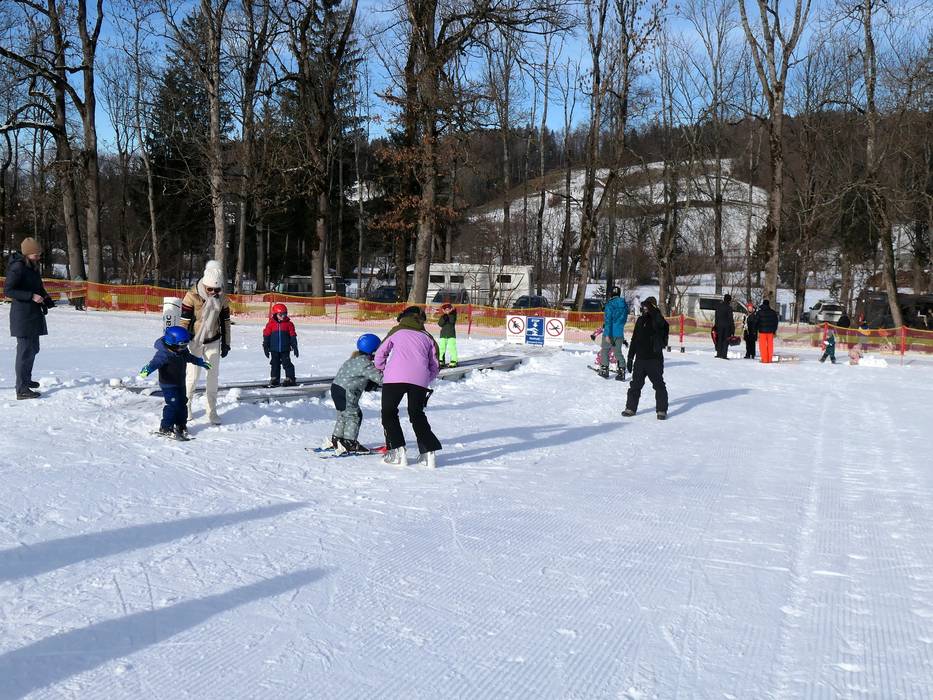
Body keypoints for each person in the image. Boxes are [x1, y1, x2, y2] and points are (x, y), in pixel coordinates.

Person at [375, 305, 442, 468]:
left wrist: (383, 369)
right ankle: (428, 453)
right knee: (417, 414)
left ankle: (397, 451)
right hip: (420, 380)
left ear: (403, 317)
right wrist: (425, 378)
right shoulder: (428, 337)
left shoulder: (397, 331)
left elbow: (380, 353)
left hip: (394, 377)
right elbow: (435, 364)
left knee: (389, 413)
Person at [179, 261, 231, 424]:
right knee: (192, 376)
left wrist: (226, 343)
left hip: (213, 341)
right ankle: (186, 407)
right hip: (195, 341)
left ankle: (211, 411)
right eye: (210, 289)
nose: (213, 293)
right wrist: (181, 343)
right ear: (204, 285)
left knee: (213, 377)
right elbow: (184, 322)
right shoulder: (191, 296)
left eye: (217, 289)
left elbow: (225, 322)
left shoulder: (222, 298)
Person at [139, 326, 211, 440]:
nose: (184, 348)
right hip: (168, 384)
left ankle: (181, 425)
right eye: (182, 346)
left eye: (186, 345)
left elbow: (189, 357)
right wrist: (147, 369)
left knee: (182, 403)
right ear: (171, 343)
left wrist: (200, 362)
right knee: (173, 405)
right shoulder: (163, 354)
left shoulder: (181, 351)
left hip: (180, 382)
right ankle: (165, 427)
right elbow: (154, 363)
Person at [4, 237, 54, 400]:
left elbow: (38, 286)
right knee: (25, 351)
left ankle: (26, 379)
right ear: (27, 253)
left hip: (33, 314)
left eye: (39, 254)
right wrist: (31, 296)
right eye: (35, 254)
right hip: (22, 315)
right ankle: (22, 389)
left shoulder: (32, 266)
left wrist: (46, 299)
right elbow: (8, 290)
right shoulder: (17, 267)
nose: (38, 257)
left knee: (34, 348)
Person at [326, 333, 385, 454]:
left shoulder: (353, 359)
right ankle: (349, 442)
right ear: (373, 350)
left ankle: (337, 439)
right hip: (346, 392)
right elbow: (381, 378)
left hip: (336, 388)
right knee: (354, 415)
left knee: (343, 414)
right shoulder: (365, 363)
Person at [622, 297, 670, 420]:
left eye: (648, 306)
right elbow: (634, 339)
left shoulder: (659, 320)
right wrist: (630, 357)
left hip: (654, 359)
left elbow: (661, 325)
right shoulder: (640, 320)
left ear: (653, 307)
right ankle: (630, 408)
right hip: (640, 359)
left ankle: (661, 410)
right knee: (635, 385)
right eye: (644, 307)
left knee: (659, 385)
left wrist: (653, 310)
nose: (645, 309)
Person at [597, 285, 630, 379]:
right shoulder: (624, 305)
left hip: (610, 332)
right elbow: (624, 319)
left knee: (605, 350)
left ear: (611, 294)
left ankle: (604, 370)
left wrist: (607, 334)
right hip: (619, 332)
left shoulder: (610, 304)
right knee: (617, 352)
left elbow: (608, 320)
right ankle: (621, 371)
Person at [262, 303, 298, 387]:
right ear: (275, 314)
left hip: (285, 348)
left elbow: (293, 336)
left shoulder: (289, 324)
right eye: (280, 314)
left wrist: (295, 346)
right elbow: (266, 335)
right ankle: (275, 378)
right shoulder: (271, 324)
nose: (283, 316)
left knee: (287, 363)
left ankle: (290, 378)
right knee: (274, 364)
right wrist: (266, 346)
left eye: (285, 314)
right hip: (274, 349)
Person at [757, 299, 779, 363]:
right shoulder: (773, 312)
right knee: (770, 345)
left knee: (763, 345)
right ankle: (769, 359)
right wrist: (774, 331)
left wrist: (757, 329)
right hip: (770, 332)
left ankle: (764, 359)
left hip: (762, 331)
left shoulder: (759, 312)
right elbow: (776, 322)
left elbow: (756, 321)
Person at [714, 293, 735, 359]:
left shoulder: (718, 306)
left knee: (719, 339)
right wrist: (733, 329)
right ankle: (724, 355)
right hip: (727, 327)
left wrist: (716, 325)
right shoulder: (729, 308)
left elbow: (716, 317)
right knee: (726, 340)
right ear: (729, 300)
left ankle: (718, 353)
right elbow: (731, 319)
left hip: (719, 326)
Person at [437, 302, 458, 368]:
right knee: (442, 348)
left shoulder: (453, 315)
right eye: (445, 309)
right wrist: (444, 317)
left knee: (452, 348)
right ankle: (441, 360)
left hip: (451, 335)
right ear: (444, 310)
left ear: (451, 309)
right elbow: (440, 324)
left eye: (448, 309)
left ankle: (454, 361)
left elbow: (452, 321)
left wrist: (450, 314)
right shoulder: (443, 316)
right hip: (443, 335)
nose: (447, 311)